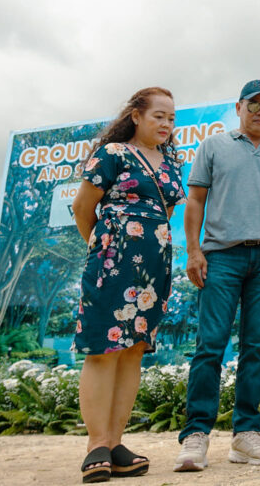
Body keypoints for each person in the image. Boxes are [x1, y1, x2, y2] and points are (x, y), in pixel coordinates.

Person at [174, 80, 260, 471]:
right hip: (221, 257)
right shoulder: (213, 146)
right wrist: (194, 250)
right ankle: (195, 435)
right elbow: (195, 199)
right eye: (255, 105)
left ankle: (245, 435)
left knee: (257, 348)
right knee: (210, 346)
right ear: (239, 107)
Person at [72, 87, 186, 482]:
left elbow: (166, 210)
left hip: (154, 267)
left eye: (171, 118)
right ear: (136, 115)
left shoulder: (172, 161)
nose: (166, 125)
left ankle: (116, 443)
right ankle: (96, 445)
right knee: (104, 349)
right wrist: (103, 246)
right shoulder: (113, 154)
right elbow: (82, 208)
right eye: (158, 116)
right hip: (111, 259)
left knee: (134, 349)